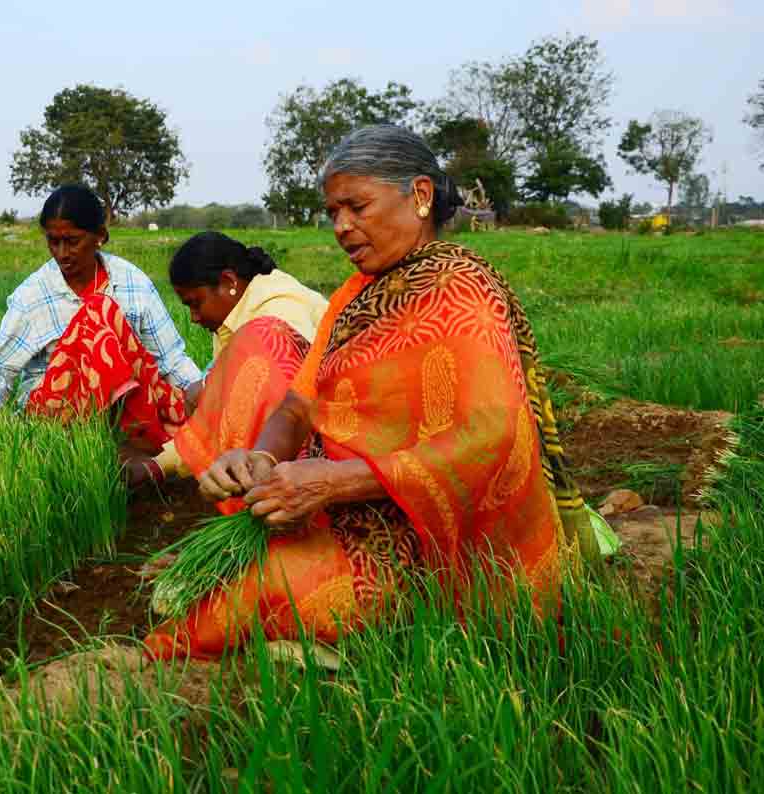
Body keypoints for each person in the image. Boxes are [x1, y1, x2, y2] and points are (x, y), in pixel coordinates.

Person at [145, 125, 599, 661]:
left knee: (248, 602)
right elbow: (297, 405)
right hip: (342, 504)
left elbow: (489, 437)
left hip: (424, 538)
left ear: (421, 196)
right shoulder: (354, 296)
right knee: (228, 585)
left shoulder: (461, 291)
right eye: (333, 212)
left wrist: (337, 484)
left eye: (356, 207)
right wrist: (261, 458)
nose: (341, 227)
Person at [0, 185, 200, 448]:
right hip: (59, 415)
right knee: (98, 313)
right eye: (53, 242)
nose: (62, 253)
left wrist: (201, 393)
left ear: (100, 236)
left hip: (128, 404)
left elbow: (170, 359)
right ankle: (115, 441)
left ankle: (140, 442)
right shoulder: (33, 296)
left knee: (104, 315)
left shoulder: (132, 283)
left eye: (72, 241)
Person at [127, 232, 328, 493]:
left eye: (196, 304)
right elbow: (217, 408)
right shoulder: (233, 319)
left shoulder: (277, 315)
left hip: (315, 446)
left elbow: (281, 404)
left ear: (229, 282)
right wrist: (159, 464)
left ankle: (258, 492)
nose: (194, 318)